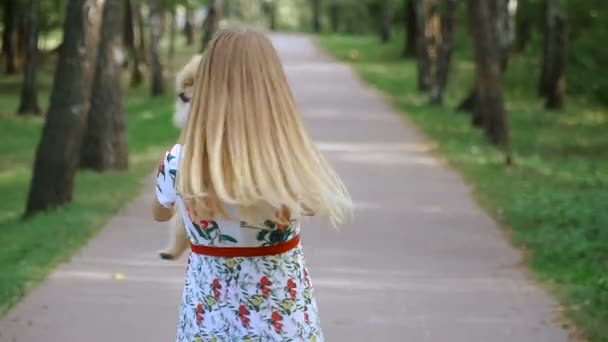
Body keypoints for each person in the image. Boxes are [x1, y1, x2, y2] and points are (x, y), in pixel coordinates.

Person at [153, 29, 352, 342]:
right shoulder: (291, 162)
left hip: (207, 326)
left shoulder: (180, 162)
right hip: (285, 326)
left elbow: (161, 214)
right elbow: (312, 206)